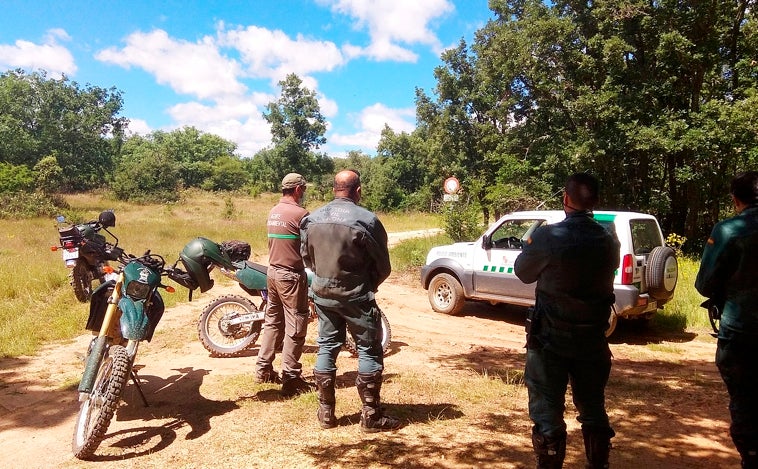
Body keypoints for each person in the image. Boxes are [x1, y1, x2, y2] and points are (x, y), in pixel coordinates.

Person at [514, 172, 620, 468]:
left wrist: (531, 245)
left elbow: (523, 272)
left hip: (550, 341)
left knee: (547, 411)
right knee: (593, 409)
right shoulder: (609, 239)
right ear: (595, 202)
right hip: (593, 340)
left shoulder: (548, 236)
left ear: (565, 199)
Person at [300, 169, 400, 432]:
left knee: (327, 346)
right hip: (357, 297)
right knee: (368, 349)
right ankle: (371, 417)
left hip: (322, 294)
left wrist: (324, 280)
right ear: (358, 191)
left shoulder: (312, 219)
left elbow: (307, 258)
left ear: (334, 188)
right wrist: (367, 285)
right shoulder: (367, 220)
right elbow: (383, 265)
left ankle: (326, 414)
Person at [695, 171, 758, 468]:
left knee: (745, 402)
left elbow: (705, 284)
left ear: (735, 199)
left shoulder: (729, 231)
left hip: (742, 331)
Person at [255, 172, 313, 397]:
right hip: (290, 276)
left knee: (272, 322)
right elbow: (308, 248)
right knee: (296, 325)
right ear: (298, 189)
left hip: (272, 273)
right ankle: (290, 378)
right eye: (304, 190)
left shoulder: (273, 212)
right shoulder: (301, 214)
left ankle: (263, 369)